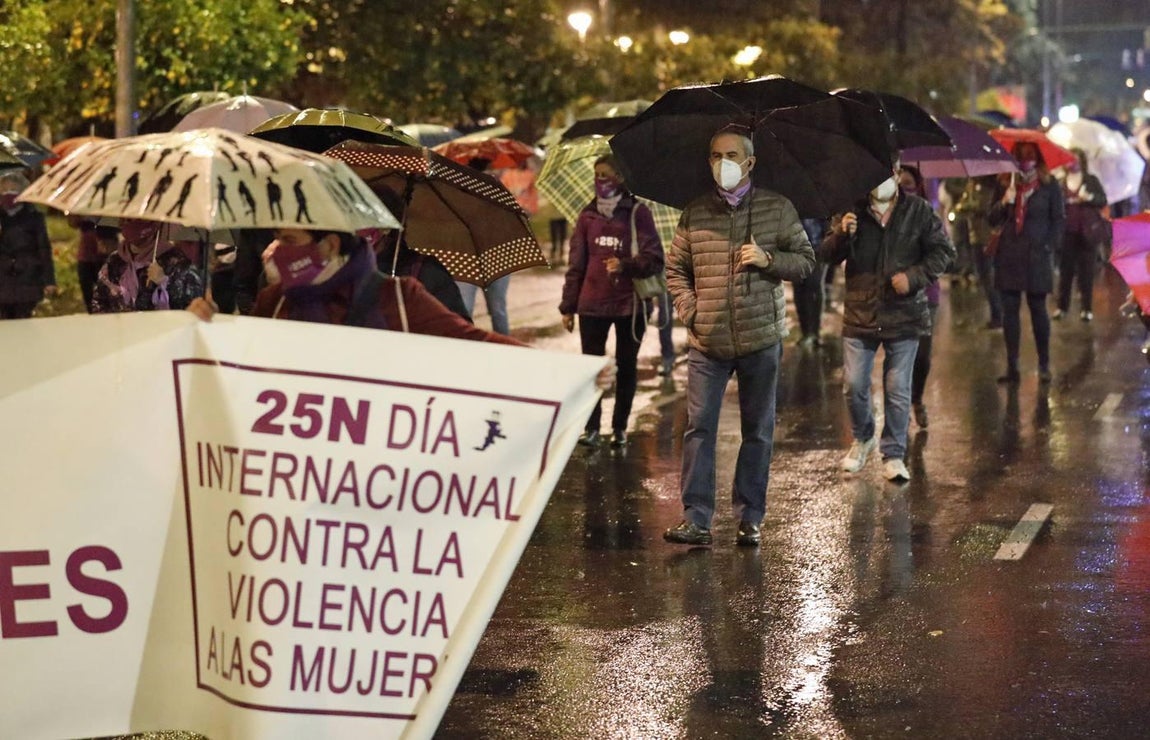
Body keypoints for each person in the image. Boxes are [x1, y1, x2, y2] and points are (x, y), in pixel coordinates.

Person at [188, 228, 617, 388]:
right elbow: (237, 371)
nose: (277, 252)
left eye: (292, 242)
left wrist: (569, 375)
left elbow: (475, 343)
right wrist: (201, 330)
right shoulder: (273, 301)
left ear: (330, 244)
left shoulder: (398, 298)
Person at [662, 126, 815, 547]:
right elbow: (675, 270)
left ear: (750, 163)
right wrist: (692, 311)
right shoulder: (695, 212)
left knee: (758, 431)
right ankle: (697, 517)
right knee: (698, 428)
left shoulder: (777, 208)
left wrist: (768, 259)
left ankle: (750, 517)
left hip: (760, 339)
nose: (722, 163)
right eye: (715, 155)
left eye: (731, 155)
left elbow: (805, 262)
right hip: (707, 343)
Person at [820, 162, 954, 482]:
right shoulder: (850, 210)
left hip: (904, 313)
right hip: (860, 313)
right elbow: (825, 255)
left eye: (888, 170)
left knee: (897, 387)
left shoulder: (918, 210)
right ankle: (863, 437)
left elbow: (944, 253)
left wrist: (913, 277)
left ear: (896, 172)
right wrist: (841, 235)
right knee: (854, 385)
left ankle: (894, 453)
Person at [559, 154, 664, 449]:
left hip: (629, 307)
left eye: (605, 175)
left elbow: (654, 259)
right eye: (596, 175)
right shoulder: (586, 216)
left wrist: (626, 265)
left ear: (620, 177)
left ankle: (619, 428)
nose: (599, 181)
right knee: (591, 370)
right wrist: (568, 306)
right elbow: (575, 264)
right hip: (591, 306)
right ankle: (591, 429)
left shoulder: (637, 213)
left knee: (626, 366)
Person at [989, 141, 1065, 384]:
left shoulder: (1049, 185)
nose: (1025, 164)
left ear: (1038, 160)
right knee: (1009, 313)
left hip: (1037, 256)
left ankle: (1044, 364)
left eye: (1030, 158)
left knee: (1038, 311)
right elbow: (991, 219)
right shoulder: (1004, 182)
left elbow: (1058, 220)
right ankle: (1013, 367)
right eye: (1021, 159)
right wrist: (1005, 202)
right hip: (1009, 255)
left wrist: (1048, 247)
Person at [898, 164, 942, 429]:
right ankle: (900, 408)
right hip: (895, 294)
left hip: (926, 294)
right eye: (900, 185)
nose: (905, 190)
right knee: (900, 356)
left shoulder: (928, 214)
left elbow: (943, 256)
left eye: (909, 185)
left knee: (922, 355)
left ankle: (917, 399)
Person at [90, 218, 203, 313]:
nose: (126, 223)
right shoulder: (115, 260)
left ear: (153, 223)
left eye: (132, 219)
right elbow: (99, 301)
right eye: (124, 219)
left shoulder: (176, 262)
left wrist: (164, 283)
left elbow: (190, 308)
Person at [1054, 148, 1108, 322]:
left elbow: (1102, 200)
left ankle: (1086, 308)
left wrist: (1089, 197)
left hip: (1087, 233)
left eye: (1076, 159)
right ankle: (1062, 307)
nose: (1073, 163)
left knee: (1086, 272)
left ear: (1082, 162)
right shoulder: (1060, 183)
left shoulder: (1091, 181)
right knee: (1066, 272)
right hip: (1067, 233)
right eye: (1070, 159)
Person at [0, 171, 55, 319]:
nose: (7, 194)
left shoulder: (34, 217)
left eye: (12, 190)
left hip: (27, 279)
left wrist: (49, 280)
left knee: (23, 320)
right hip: (3, 280)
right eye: (4, 190)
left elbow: (44, 248)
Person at [955, 175, 1004, 329]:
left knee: (989, 277)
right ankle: (997, 313)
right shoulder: (972, 185)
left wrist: (972, 206)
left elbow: (988, 209)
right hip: (975, 235)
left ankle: (999, 315)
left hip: (986, 237)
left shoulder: (990, 188)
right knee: (984, 276)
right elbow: (963, 205)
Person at [793, 217, 828, 348]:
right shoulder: (791, 204)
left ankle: (814, 331)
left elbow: (827, 224)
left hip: (816, 249)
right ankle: (806, 331)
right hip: (796, 251)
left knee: (814, 287)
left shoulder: (819, 204)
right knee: (799, 289)